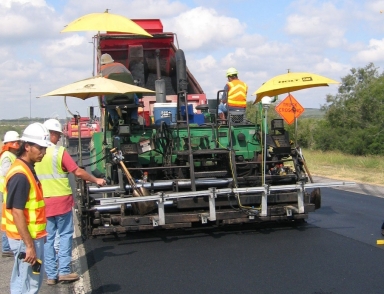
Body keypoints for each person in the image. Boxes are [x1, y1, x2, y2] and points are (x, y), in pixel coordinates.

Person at [34, 119, 106, 285]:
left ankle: (51, 275)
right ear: (51, 133)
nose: (59, 138)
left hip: (42, 202)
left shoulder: (35, 155)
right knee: (65, 236)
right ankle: (64, 271)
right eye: (58, 135)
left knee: (48, 239)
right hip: (62, 201)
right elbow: (78, 171)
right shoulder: (59, 152)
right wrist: (96, 180)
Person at [1, 123, 51, 294]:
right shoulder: (21, 175)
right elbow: (17, 212)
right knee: (25, 285)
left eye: (44, 149)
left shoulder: (26, 169)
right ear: (27, 146)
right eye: (40, 148)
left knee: (30, 283)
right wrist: (29, 245)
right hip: (24, 240)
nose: (43, 153)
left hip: (29, 237)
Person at [100, 53, 140, 125]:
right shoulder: (120, 65)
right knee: (136, 101)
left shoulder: (101, 70)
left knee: (105, 102)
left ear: (102, 63)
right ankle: (133, 119)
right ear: (112, 61)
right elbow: (130, 78)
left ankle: (115, 119)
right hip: (127, 96)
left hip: (111, 98)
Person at [0, 131, 21, 258]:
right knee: (9, 218)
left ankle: (7, 246)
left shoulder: (9, 155)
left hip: (8, 189)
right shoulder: (7, 156)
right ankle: (6, 247)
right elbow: (6, 173)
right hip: (7, 190)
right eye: (17, 142)